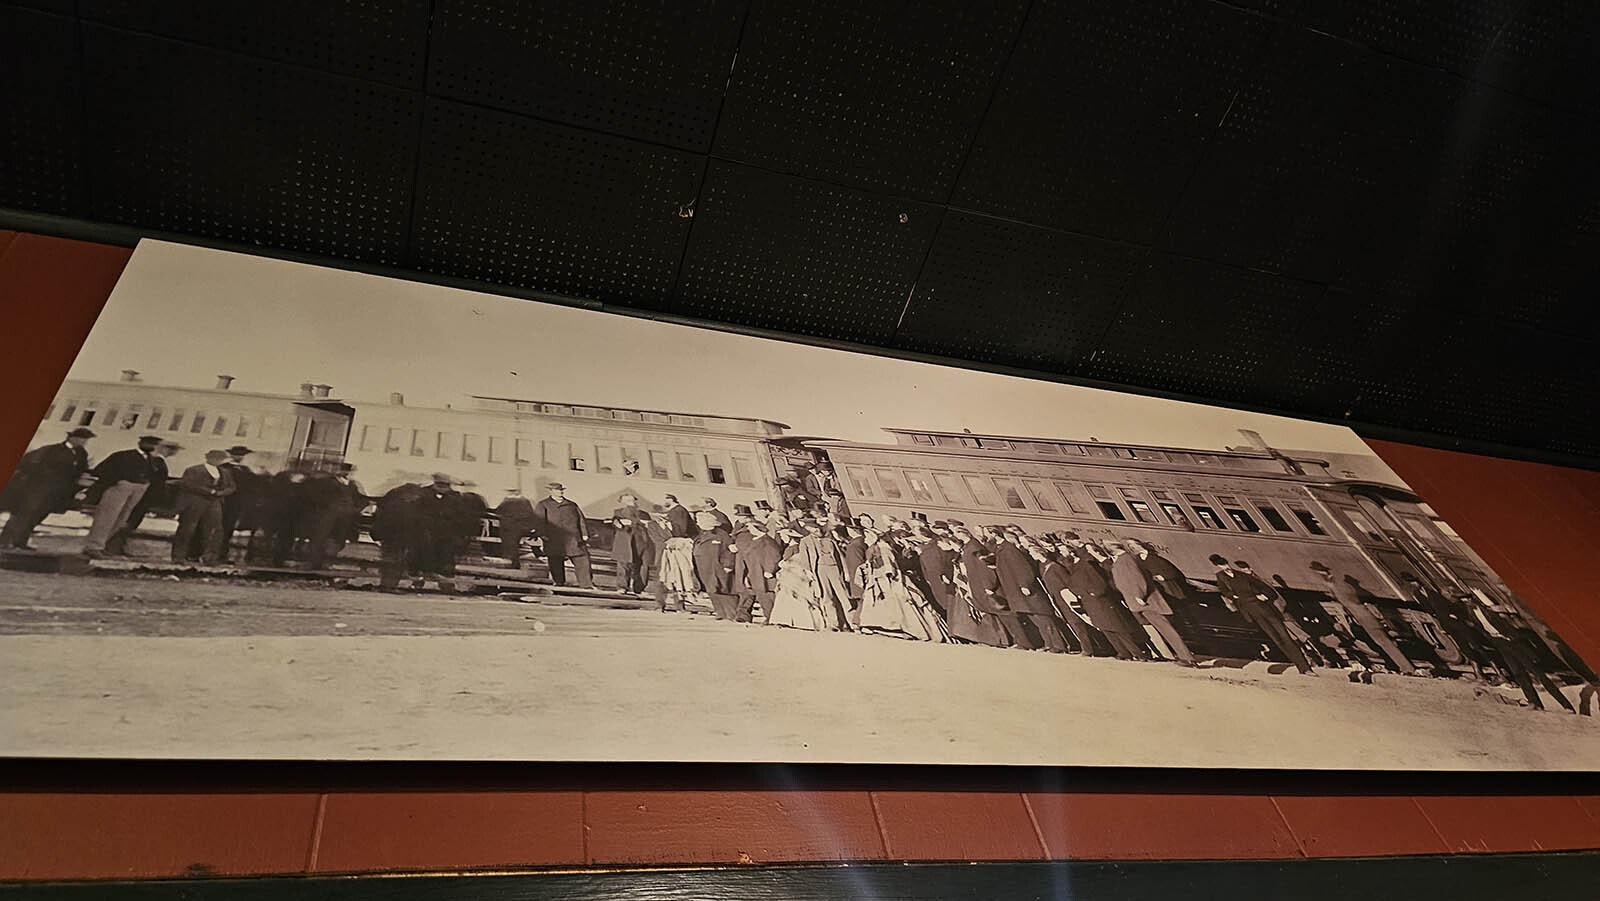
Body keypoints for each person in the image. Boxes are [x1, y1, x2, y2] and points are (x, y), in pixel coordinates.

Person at [1468, 592, 1575, 713]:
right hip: (1502, 645)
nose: (1467, 602)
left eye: (1468, 599)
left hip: (1514, 643)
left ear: (1476, 601)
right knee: (1518, 674)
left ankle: (1566, 706)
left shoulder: (1492, 612)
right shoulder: (1472, 614)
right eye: (1465, 601)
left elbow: (1512, 623)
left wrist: (1510, 637)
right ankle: (1535, 703)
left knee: (1538, 674)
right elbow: (1482, 630)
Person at [1309, 561, 1414, 675]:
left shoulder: (1339, 586)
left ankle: (1406, 668)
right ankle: (1398, 666)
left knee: (1385, 643)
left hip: (1365, 618)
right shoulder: (1339, 586)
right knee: (1382, 643)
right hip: (1363, 618)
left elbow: (1348, 600)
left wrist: (1331, 587)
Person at [1213, 556, 1312, 674]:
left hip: (1266, 610)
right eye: (1221, 565)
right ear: (1217, 566)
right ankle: (1300, 666)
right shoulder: (1221, 577)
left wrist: (1263, 595)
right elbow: (1224, 591)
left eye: (1225, 563)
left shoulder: (1243, 576)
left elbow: (1268, 589)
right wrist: (1233, 596)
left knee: (1285, 637)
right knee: (1277, 640)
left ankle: (1305, 668)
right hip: (1252, 613)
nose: (1225, 566)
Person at [1, 427, 94, 550]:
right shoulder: (53, 450)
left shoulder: (81, 453)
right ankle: (5, 541)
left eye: (86, 440)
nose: (84, 442)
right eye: (82, 439)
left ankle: (21, 541)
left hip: (58, 492)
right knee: (23, 514)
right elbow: (33, 465)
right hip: (39, 489)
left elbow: (81, 469)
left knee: (38, 516)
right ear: (72, 437)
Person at [1109, 542, 1195, 664]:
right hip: (1141, 601)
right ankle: (1184, 656)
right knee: (1165, 628)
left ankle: (1187, 658)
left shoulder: (1126, 559)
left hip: (1145, 602)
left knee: (1166, 629)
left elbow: (1138, 578)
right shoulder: (1126, 559)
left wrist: (1139, 595)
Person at [81, 434, 163, 558]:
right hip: (121, 488)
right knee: (107, 517)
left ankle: (103, 545)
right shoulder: (124, 455)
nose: (151, 446)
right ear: (140, 443)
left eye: (153, 444)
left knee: (121, 519)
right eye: (148, 443)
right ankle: (93, 546)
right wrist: (117, 481)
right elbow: (102, 469)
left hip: (138, 489)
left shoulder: (152, 460)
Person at [1063, 546, 1148, 660]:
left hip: (1101, 602)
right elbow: (1072, 585)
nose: (1061, 554)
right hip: (1089, 603)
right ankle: (1123, 653)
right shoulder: (1073, 568)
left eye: (1063, 552)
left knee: (1118, 629)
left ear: (1072, 553)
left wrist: (1094, 593)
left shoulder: (1087, 565)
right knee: (1105, 629)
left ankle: (1138, 653)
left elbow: (1100, 583)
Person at [993, 528, 1068, 652]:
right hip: (1018, 591)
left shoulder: (1011, 551)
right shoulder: (1005, 550)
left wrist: (1025, 585)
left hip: (1026, 590)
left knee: (1043, 618)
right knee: (1036, 618)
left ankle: (1059, 645)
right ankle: (1049, 644)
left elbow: (1023, 569)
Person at [1402, 574, 1491, 678]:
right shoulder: (1417, 594)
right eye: (1412, 583)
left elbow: (1451, 602)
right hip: (1447, 623)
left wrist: (1456, 615)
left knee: (1476, 645)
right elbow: (1430, 611)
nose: (1415, 584)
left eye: (1415, 581)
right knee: (1464, 647)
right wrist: (1440, 624)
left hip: (1457, 620)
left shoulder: (1432, 590)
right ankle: (1478, 672)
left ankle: (1496, 670)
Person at [105, 440, 177, 557]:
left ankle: (114, 546)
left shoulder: (156, 461)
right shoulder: (157, 461)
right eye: (171, 450)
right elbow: (155, 480)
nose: (173, 453)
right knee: (128, 521)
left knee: (129, 521)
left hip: (144, 497)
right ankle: (111, 546)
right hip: (143, 497)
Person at [171, 450, 237, 565]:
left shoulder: (225, 472)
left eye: (220, 459)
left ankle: (209, 557)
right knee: (188, 528)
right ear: (208, 458)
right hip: (195, 501)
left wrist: (221, 493)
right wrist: (209, 491)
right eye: (215, 458)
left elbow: (232, 486)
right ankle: (179, 556)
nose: (218, 461)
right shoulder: (194, 470)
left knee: (215, 529)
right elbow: (187, 484)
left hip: (215, 503)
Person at [301, 463, 365, 570]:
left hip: (344, 519)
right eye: (346, 472)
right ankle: (314, 564)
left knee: (338, 541)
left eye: (350, 472)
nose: (349, 474)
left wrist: (354, 510)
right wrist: (327, 506)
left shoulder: (352, 486)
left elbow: (361, 500)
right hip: (326, 517)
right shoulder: (326, 483)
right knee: (319, 539)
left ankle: (327, 563)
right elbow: (315, 496)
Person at [795, 518, 851, 631]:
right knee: (826, 597)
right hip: (819, 570)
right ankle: (833, 624)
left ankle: (852, 623)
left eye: (817, 528)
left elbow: (840, 556)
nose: (816, 531)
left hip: (835, 569)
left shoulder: (830, 539)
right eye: (813, 530)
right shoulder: (805, 541)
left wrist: (845, 572)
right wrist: (809, 572)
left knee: (844, 596)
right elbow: (804, 559)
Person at [532, 482, 591, 588]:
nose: (560, 492)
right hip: (554, 538)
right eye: (557, 490)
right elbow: (539, 521)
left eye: (561, 490)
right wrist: (542, 534)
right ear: (550, 491)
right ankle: (559, 582)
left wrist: (585, 534)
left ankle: (586, 584)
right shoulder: (543, 504)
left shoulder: (571, 504)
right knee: (555, 560)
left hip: (573, 538)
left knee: (582, 560)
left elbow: (581, 520)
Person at [691, 510, 737, 619]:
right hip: (704, 568)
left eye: (701, 522)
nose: (698, 524)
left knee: (724, 590)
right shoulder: (701, 535)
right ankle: (720, 613)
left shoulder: (722, 535)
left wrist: (728, 565)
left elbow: (730, 551)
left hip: (718, 567)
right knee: (711, 590)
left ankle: (731, 614)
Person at [215, 445, 256, 563]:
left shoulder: (246, 470)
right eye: (237, 454)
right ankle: (213, 553)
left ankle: (222, 554)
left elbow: (250, 488)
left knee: (229, 528)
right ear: (231, 455)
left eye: (242, 455)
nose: (239, 457)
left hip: (236, 504)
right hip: (223, 501)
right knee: (218, 527)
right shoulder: (223, 468)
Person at [737, 520, 784, 623]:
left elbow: (775, 556)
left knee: (767, 598)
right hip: (755, 573)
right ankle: (768, 618)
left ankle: (772, 619)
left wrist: (770, 570)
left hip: (764, 576)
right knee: (760, 596)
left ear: (758, 529)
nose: (748, 530)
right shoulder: (756, 540)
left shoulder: (768, 542)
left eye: (750, 528)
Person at [611, 491, 653, 594]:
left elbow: (649, 526)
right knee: (623, 564)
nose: (630, 502)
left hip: (641, 542)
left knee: (642, 566)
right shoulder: (618, 512)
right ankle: (622, 587)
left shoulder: (644, 514)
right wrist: (619, 524)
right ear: (622, 502)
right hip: (624, 542)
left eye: (632, 500)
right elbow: (615, 523)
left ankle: (639, 588)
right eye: (627, 500)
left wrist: (634, 523)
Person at [494, 488, 538, 569]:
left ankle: (513, 563)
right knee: (513, 545)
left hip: (511, 528)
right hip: (521, 528)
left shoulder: (507, 501)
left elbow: (498, 511)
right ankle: (513, 562)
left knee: (510, 544)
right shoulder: (525, 501)